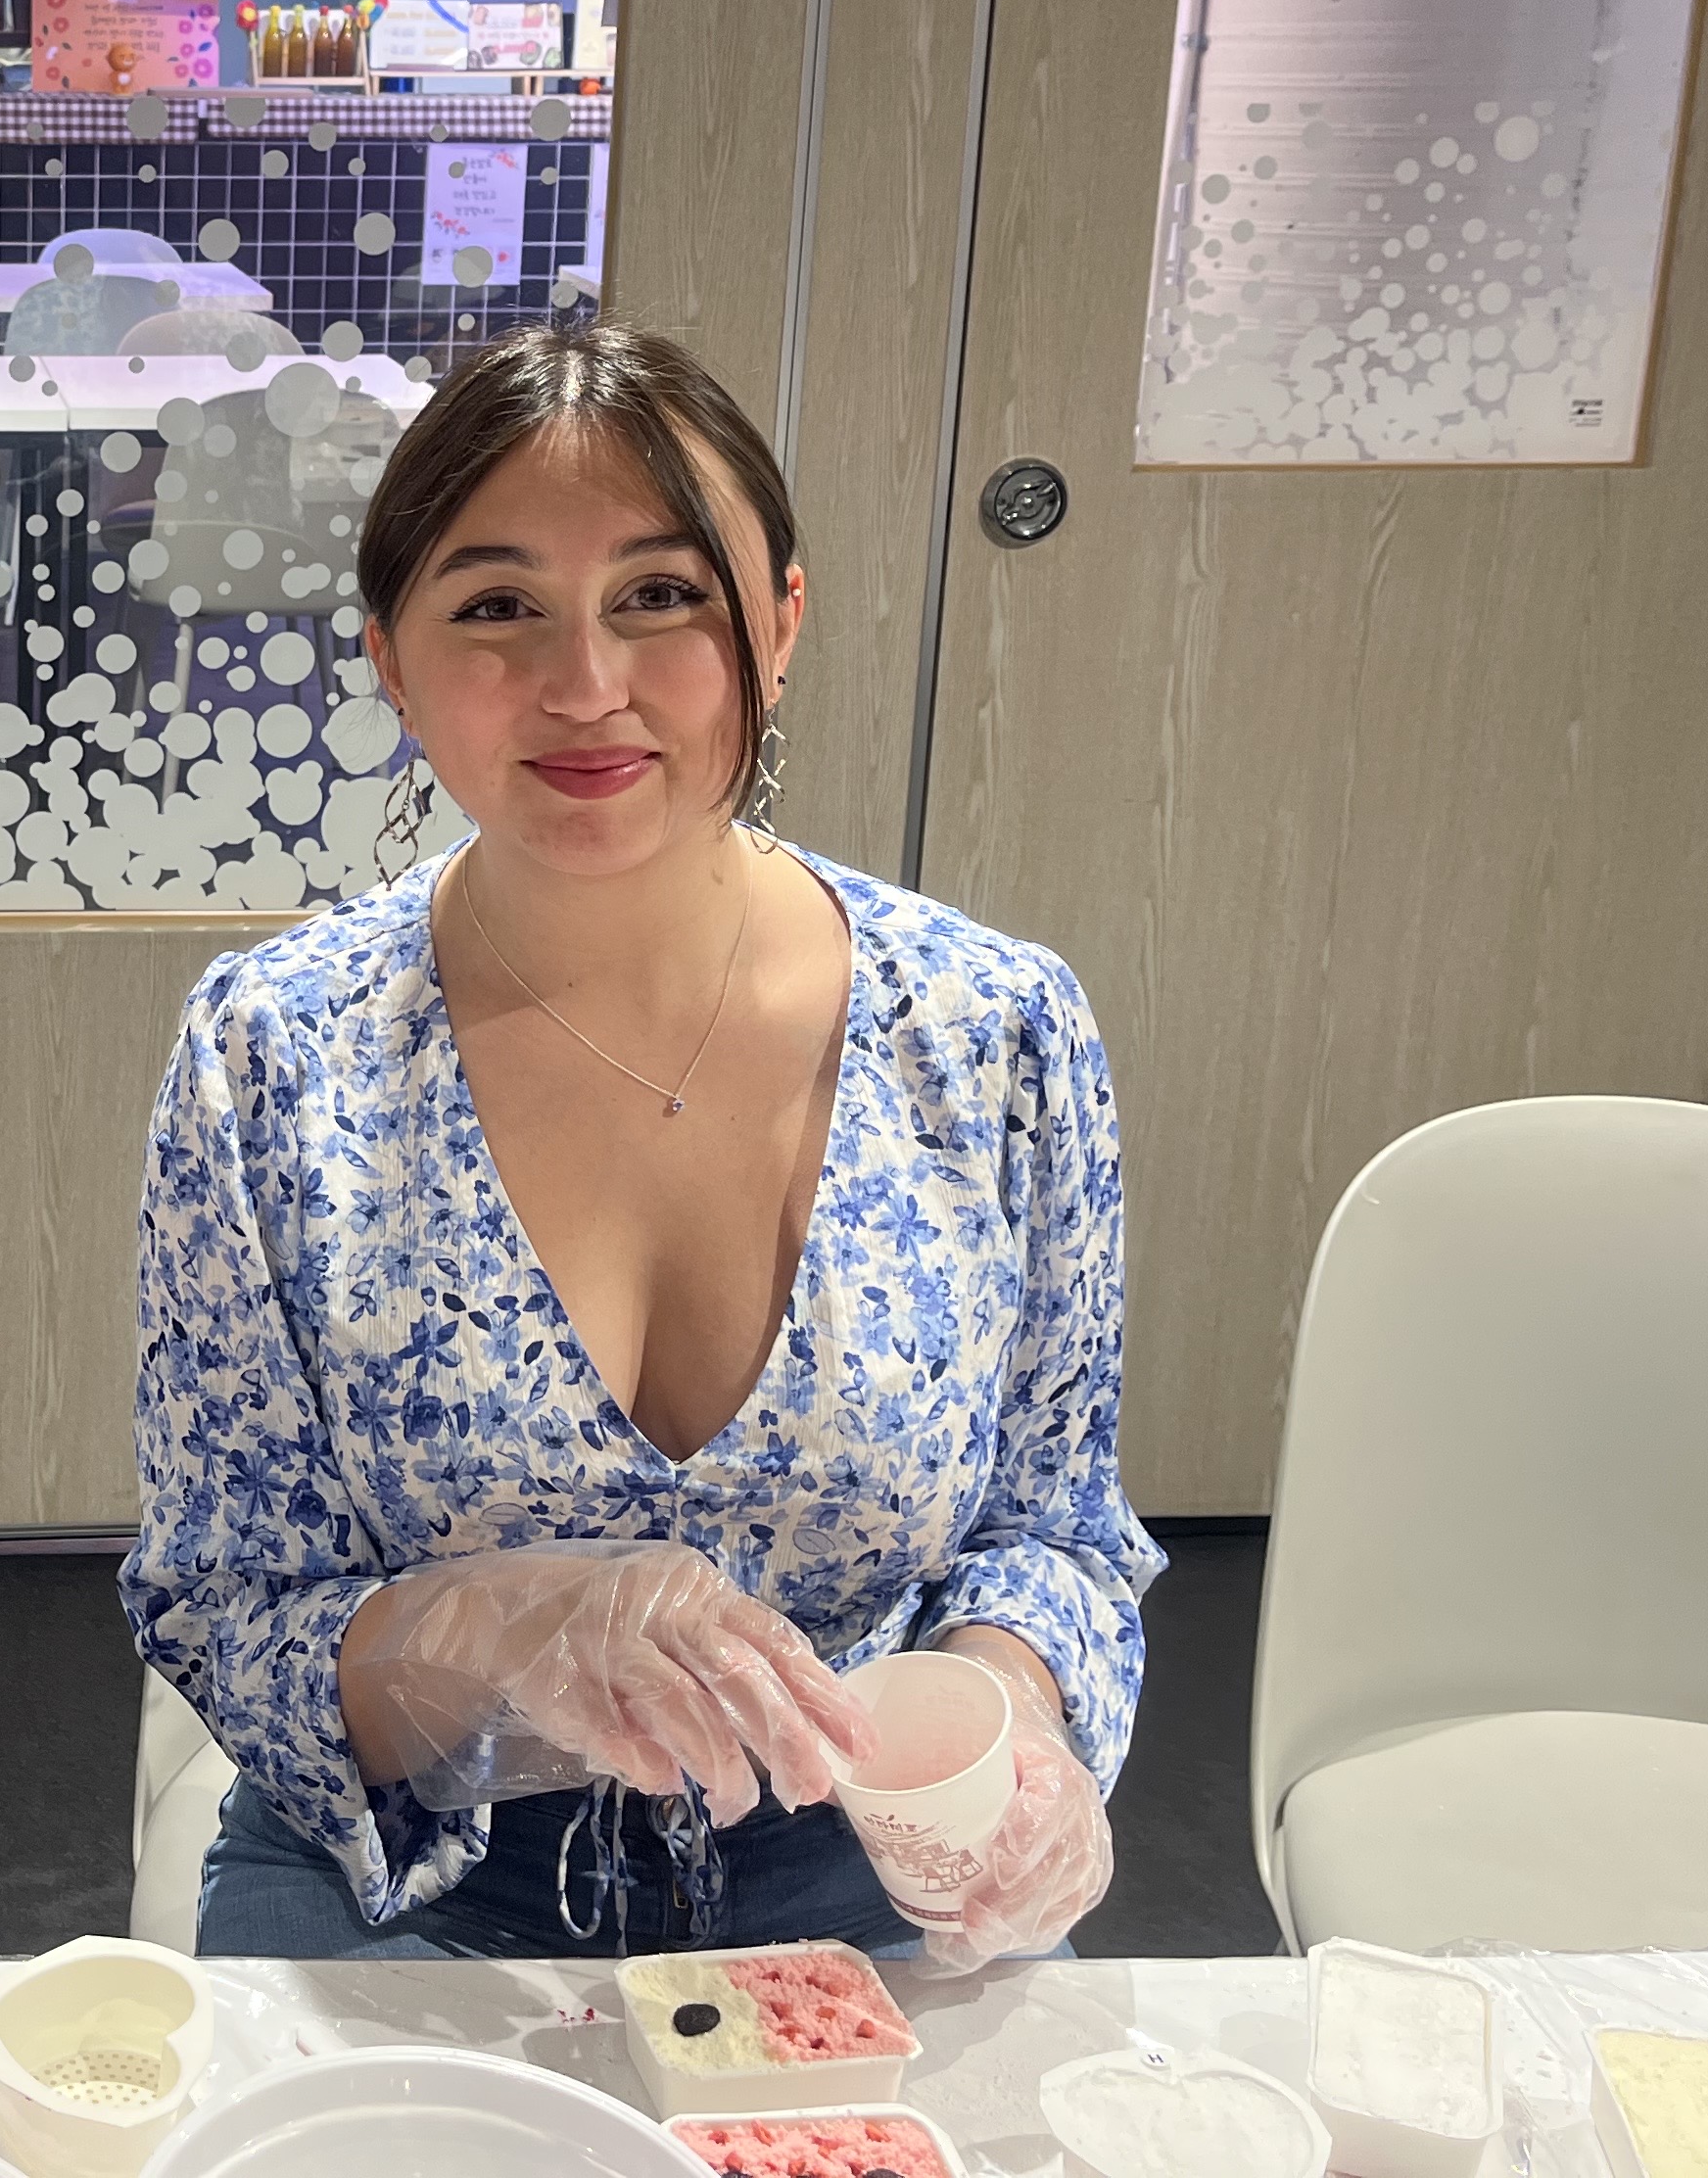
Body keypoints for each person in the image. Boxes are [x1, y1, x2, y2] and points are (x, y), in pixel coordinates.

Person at [122, 319, 1161, 1964]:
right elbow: (226, 1604)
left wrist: (1012, 1711)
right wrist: (487, 1638)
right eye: (497, 607)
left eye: (664, 594)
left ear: (782, 623)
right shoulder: (276, 1057)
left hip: (876, 1879)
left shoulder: (993, 1034)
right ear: (392, 662)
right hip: (420, 1875)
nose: (586, 684)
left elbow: (1054, 1529)